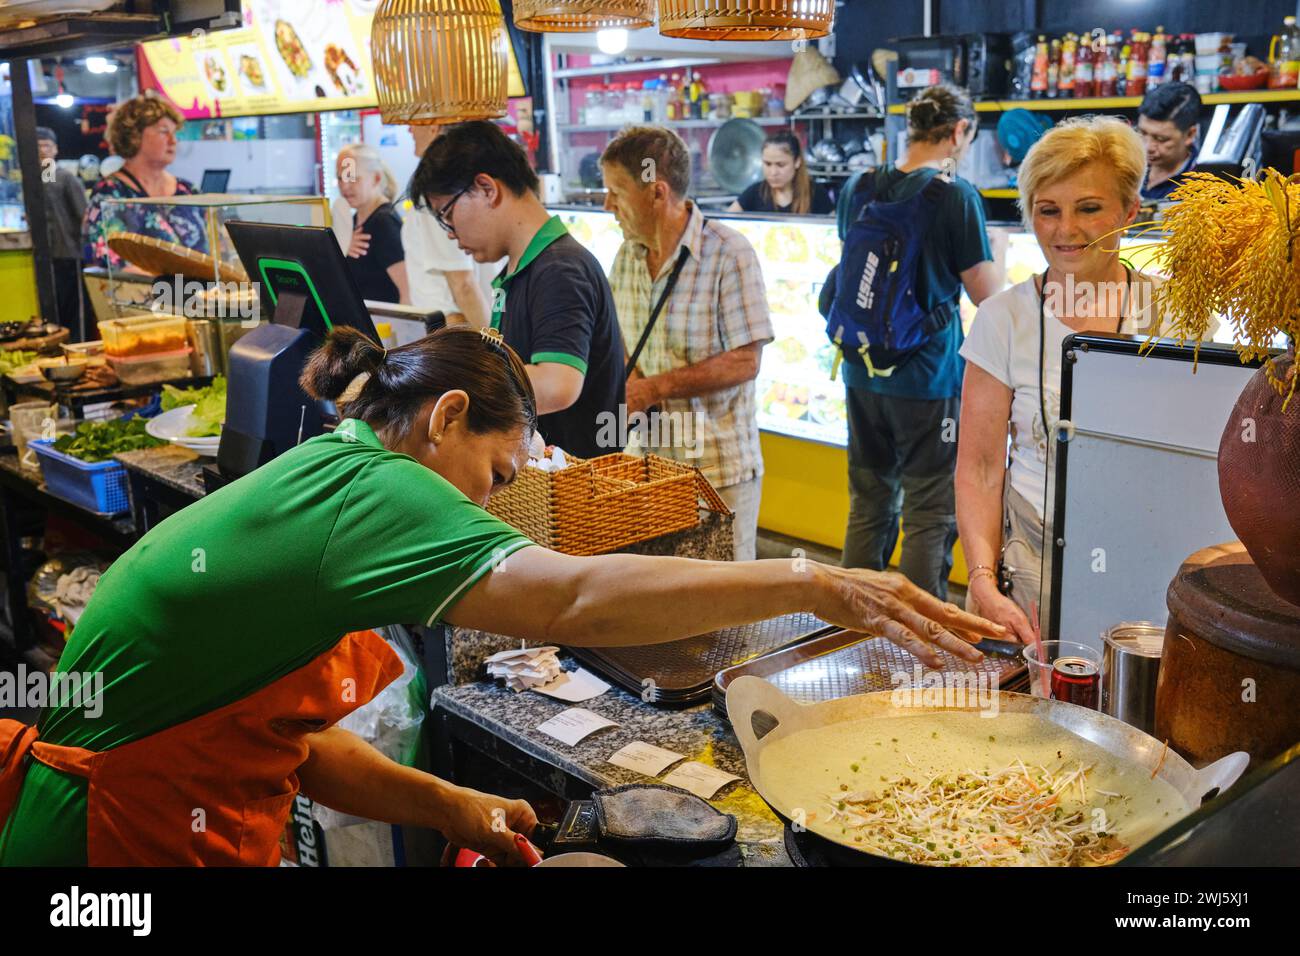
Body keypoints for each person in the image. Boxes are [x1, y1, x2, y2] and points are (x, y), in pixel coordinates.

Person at [0, 326, 1005, 866]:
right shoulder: (376, 487)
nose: (496, 500)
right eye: (495, 471)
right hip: (109, 839)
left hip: (144, 803)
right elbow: (570, 600)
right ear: (443, 417)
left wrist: (452, 805)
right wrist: (814, 576)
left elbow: (277, 741)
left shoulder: (335, 466)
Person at [956, 116, 1190, 642]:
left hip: (1154, 558)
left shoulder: (1175, 312)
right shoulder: (1003, 319)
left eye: (1089, 208)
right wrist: (984, 583)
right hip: (1033, 561)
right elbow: (980, 468)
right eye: (1048, 211)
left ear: (1129, 210)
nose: (1066, 230)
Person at [833, 84, 1003, 600]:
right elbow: (987, 297)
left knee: (869, 500)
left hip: (861, 370)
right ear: (958, 131)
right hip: (927, 381)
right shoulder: (955, 195)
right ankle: (923, 634)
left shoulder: (858, 186)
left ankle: (849, 619)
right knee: (929, 508)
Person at [602, 126, 773, 561]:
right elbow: (619, 334)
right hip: (651, 467)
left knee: (727, 607)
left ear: (657, 194)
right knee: (662, 604)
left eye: (616, 193)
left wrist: (653, 389)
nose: (608, 207)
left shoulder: (730, 254)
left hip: (718, 472)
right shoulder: (626, 256)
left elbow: (744, 362)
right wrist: (630, 377)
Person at [408, 121, 625, 460]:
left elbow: (557, 384)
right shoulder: (521, 268)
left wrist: (454, 381)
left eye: (446, 215)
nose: (450, 233)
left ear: (486, 189)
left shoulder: (560, 269)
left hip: (574, 493)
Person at [83, 95, 206, 271]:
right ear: (134, 135)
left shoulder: (188, 190)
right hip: (151, 295)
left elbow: (215, 250)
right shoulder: (110, 193)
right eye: (164, 131)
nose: (173, 140)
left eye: (175, 133)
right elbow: (112, 261)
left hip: (203, 295)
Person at [401, 125, 490, 327]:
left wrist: (499, 351)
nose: (408, 130)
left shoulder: (438, 188)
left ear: (433, 125)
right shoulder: (457, 181)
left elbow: (463, 283)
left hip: (455, 330)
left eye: (412, 121)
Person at [337, 143, 408, 304]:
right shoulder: (355, 220)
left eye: (353, 177)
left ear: (376, 178)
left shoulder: (384, 223)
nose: (344, 186)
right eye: (340, 178)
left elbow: (407, 291)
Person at [35, 127, 88, 338]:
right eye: (37, 146)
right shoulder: (34, 178)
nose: (42, 150)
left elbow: (84, 215)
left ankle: (75, 347)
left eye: (47, 145)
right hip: (44, 256)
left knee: (72, 310)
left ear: (56, 149)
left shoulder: (65, 178)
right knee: (52, 309)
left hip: (68, 254)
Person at [728, 130, 833, 215]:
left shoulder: (816, 194)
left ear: (797, 162)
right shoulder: (754, 193)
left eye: (781, 165)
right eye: (768, 164)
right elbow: (725, 223)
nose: (773, 172)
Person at [1137, 82, 1201, 202]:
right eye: (1142, 133)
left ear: (1190, 135)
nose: (1147, 146)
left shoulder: (1202, 184)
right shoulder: (1125, 166)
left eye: (1161, 139)